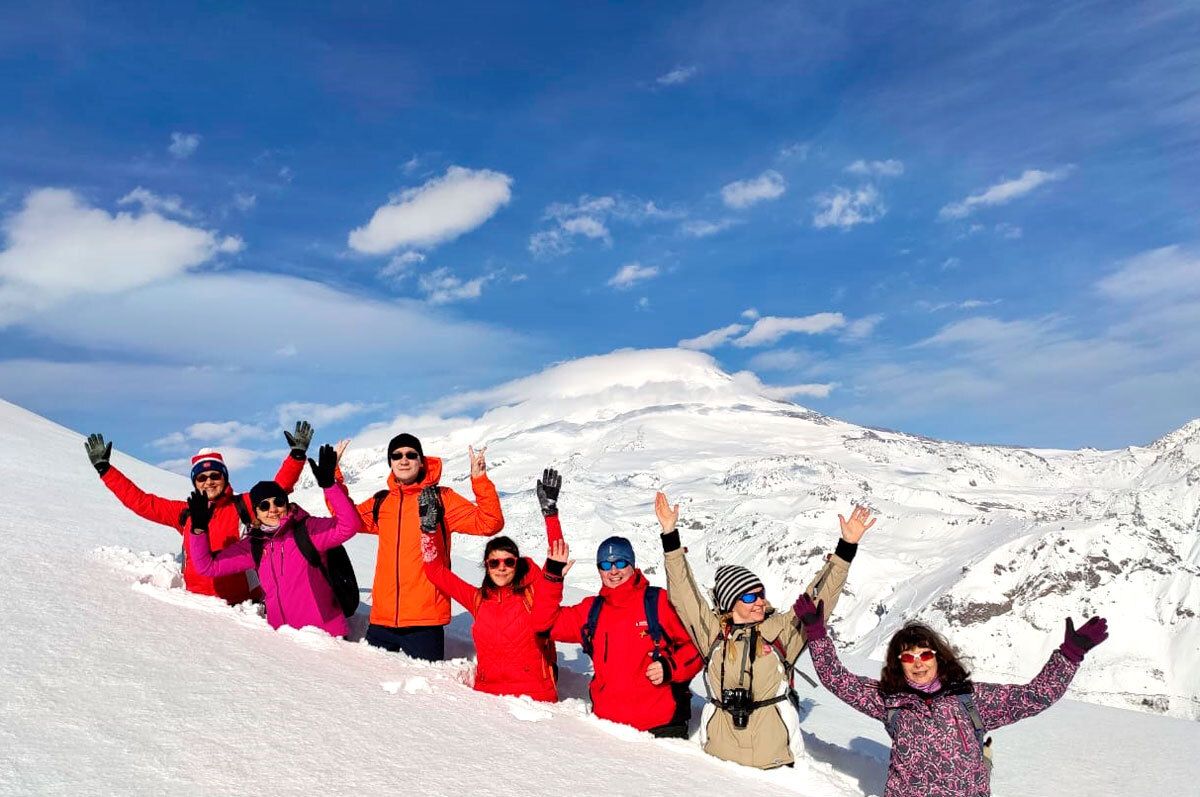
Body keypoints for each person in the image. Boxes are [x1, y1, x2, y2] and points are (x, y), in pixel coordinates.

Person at [795, 598, 1109, 797]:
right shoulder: (889, 700)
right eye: (907, 657)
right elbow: (837, 679)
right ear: (897, 664)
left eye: (924, 654)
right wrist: (817, 636)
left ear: (938, 657)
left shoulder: (971, 700)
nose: (918, 663)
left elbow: (1034, 697)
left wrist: (1070, 655)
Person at [656, 492, 875, 769]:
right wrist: (669, 535)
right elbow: (684, 594)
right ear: (729, 602)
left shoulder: (780, 631)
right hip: (717, 761)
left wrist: (846, 549)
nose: (759, 601)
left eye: (760, 594)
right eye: (748, 597)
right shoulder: (714, 635)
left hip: (774, 765)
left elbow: (819, 599)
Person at [83, 422, 315, 604]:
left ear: (224, 477)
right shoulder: (185, 513)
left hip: (242, 607)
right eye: (202, 478)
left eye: (215, 475)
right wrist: (106, 470)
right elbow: (141, 502)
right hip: (196, 606)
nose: (209, 482)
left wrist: (296, 457)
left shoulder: (243, 504)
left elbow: (276, 491)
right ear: (195, 483)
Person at [346, 434, 504, 661]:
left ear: (421, 461)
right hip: (382, 620)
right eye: (397, 455)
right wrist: (333, 481)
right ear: (390, 462)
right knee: (375, 691)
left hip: (425, 622)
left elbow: (490, 522)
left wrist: (479, 480)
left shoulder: (441, 498)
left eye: (411, 455)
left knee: (422, 693)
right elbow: (345, 519)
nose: (404, 460)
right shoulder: (382, 502)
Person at [419, 469, 570, 702]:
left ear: (517, 564)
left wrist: (550, 513)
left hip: (535, 699)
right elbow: (435, 571)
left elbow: (556, 555)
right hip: (488, 699)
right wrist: (428, 531)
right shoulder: (478, 599)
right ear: (486, 565)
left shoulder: (533, 593)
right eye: (495, 562)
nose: (502, 567)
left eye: (509, 561)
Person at [184, 445, 363, 637]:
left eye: (278, 502)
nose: (273, 509)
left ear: (286, 503)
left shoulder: (307, 530)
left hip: (324, 637)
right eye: (264, 505)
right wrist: (199, 530)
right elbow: (208, 567)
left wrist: (329, 486)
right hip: (282, 641)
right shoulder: (254, 545)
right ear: (256, 512)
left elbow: (349, 525)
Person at [549, 520, 703, 737]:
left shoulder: (657, 602)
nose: (613, 571)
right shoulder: (592, 610)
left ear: (632, 565)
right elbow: (546, 624)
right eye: (605, 565)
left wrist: (670, 667)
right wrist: (553, 578)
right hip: (609, 728)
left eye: (620, 563)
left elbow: (697, 645)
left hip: (662, 727)